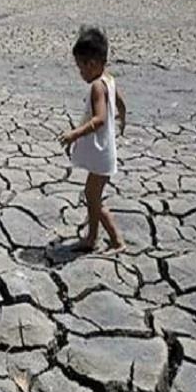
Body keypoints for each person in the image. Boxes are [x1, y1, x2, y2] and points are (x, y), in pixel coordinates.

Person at [59, 26, 127, 254]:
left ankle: (117, 241)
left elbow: (99, 119)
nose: (80, 73)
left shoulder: (98, 86)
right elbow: (120, 102)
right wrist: (123, 117)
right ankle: (92, 237)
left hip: (101, 155)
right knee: (92, 195)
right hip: (105, 152)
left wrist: (74, 133)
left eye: (81, 67)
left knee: (93, 199)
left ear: (93, 63)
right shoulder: (109, 79)